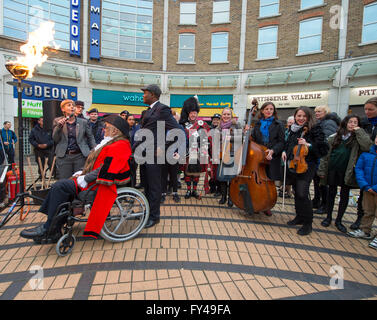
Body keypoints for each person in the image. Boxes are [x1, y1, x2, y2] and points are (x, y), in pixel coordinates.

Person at [20, 115, 132, 242]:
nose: (103, 129)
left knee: (59, 186)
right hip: (92, 180)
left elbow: (105, 169)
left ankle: (50, 228)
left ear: (115, 130)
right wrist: (82, 172)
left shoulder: (120, 145)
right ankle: (52, 227)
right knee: (60, 187)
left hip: (97, 184)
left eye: (106, 127)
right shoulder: (111, 142)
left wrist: (85, 177)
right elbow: (97, 164)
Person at [133, 84, 181, 228]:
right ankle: (147, 213)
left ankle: (155, 216)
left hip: (155, 156)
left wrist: (163, 147)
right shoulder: (148, 111)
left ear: (152, 95)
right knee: (146, 186)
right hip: (144, 154)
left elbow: (176, 130)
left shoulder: (162, 109)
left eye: (145, 93)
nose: (143, 96)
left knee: (154, 187)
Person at [317, 115, 372, 233]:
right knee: (331, 193)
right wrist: (321, 170)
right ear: (345, 123)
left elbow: (367, 146)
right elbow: (325, 156)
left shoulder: (358, 138)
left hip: (347, 171)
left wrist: (359, 131)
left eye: (355, 122)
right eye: (350, 122)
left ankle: (339, 220)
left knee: (344, 195)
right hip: (333, 169)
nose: (352, 124)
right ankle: (328, 217)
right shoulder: (335, 137)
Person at [281, 106, 329, 236]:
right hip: (294, 163)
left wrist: (309, 145)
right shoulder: (293, 129)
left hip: (308, 165)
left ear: (308, 117)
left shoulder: (315, 129)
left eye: (303, 116)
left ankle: (308, 223)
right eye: (298, 116)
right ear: (295, 116)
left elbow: (324, 149)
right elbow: (288, 144)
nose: (301, 118)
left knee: (303, 193)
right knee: (297, 191)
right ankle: (299, 216)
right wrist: (285, 151)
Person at [251, 102, 285, 216]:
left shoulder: (278, 124)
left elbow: (281, 142)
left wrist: (273, 150)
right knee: (257, 183)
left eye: (271, 109)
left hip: (272, 157)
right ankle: (256, 203)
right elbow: (253, 141)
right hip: (259, 158)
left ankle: (266, 205)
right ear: (262, 111)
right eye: (266, 109)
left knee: (268, 182)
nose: (269, 111)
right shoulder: (257, 125)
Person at [52, 99, 96, 179]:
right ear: (63, 109)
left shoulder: (83, 122)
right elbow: (55, 139)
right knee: (65, 181)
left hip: (80, 156)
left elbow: (90, 137)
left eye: (73, 105)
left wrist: (94, 150)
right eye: (69, 105)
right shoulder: (57, 121)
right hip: (64, 156)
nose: (72, 107)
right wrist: (59, 127)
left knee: (79, 180)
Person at [347, 134, 377, 250]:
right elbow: (359, 169)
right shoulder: (366, 154)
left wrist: (375, 188)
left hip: (374, 188)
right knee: (368, 211)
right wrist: (364, 185)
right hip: (367, 188)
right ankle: (365, 230)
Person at [353, 97, 377, 230]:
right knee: (365, 203)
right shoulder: (364, 123)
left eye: (371, 109)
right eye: (365, 109)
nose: (367, 112)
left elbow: (368, 145)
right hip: (366, 170)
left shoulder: (362, 128)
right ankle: (363, 226)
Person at [312, 105, 341, 214]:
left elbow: (327, 141)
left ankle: (325, 205)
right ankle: (317, 201)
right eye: (316, 112)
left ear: (326, 112)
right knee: (316, 181)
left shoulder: (329, 123)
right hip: (318, 155)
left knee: (322, 182)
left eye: (319, 111)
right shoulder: (321, 122)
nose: (317, 113)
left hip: (323, 157)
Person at [181, 97, 211, 200]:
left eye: (195, 113)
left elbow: (207, 138)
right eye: (191, 113)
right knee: (187, 173)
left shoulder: (201, 125)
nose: (193, 115)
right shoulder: (183, 125)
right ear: (188, 114)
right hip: (187, 153)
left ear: (197, 113)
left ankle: (194, 190)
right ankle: (188, 190)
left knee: (196, 173)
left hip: (198, 153)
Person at [217, 107, 242, 206]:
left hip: (233, 154)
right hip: (222, 154)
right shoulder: (219, 126)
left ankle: (231, 198)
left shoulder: (236, 125)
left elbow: (241, 137)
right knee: (222, 177)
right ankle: (223, 197)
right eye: (224, 114)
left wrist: (230, 137)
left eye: (228, 114)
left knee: (231, 178)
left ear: (231, 116)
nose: (226, 116)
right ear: (222, 115)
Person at [209, 113, 221, 195]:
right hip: (210, 153)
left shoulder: (221, 129)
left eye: (217, 120)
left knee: (218, 172)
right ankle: (212, 188)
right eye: (214, 120)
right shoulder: (209, 129)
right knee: (211, 172)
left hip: (219, 154)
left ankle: (219, 190)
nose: (215, 121)